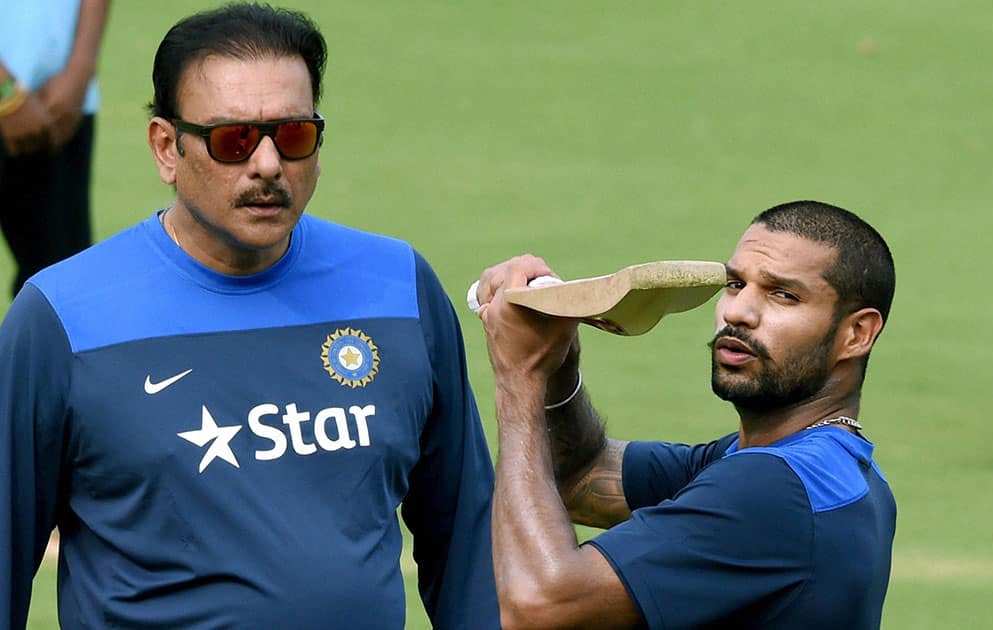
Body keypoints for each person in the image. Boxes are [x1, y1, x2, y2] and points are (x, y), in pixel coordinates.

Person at [0, 4, 499, 628]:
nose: (267, 165)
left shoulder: (400, 288)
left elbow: (467, 540)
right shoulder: (61, 319)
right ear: (166, 147)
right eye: (234, 139)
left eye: (292, 135)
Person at [474, 200, 896, 629]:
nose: (736, 312)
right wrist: (559, 363)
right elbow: (580, 478)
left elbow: (537, 607)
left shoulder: (774, 490)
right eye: (735, 284)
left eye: (782, 295)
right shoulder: (822, 469)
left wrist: (520, 376)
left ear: (856, 334)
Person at [0, 0, 109, 299]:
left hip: (61, 101)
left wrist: (82, 66)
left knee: (64, 292)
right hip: (20, 95)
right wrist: (5, 93)